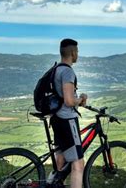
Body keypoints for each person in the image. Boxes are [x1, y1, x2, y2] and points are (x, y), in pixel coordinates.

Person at [50, 38, 87, 188]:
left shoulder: (56, 69)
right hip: (67, 120)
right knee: (78, 164)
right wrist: (81, 99)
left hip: (56, 118)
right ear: (72, 52)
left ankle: (55, 184)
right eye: (77, 51)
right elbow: (69, 101)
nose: (78, 54)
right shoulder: (67, 72)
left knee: (61, 157)